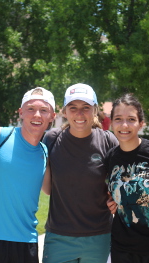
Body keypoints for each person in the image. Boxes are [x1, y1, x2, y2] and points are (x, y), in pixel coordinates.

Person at [0, 87, 56, 263]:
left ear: (52, 116)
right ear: (21, 113)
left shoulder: (44, 152)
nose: (37, 115)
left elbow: (49, 190)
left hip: (26, 242)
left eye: (44, 110)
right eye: (31, 109)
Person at [42, 83, 118, 263]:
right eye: (73, 108)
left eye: (86, 107)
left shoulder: (108, 141)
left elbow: (122, 180)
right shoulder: (51, 139)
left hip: (99, 237)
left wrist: (118, 199)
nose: (79, 113)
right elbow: (48, 189)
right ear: (64, 111)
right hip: (59, 237)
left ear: (95, 110)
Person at [105, 94, 149, 262]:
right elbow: (111, 192)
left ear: (141, 123)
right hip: (123, 249)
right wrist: (112, 201)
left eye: (131, 119)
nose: (124, 125)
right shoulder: (110, 158)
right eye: (118, 119)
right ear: (111, 123)